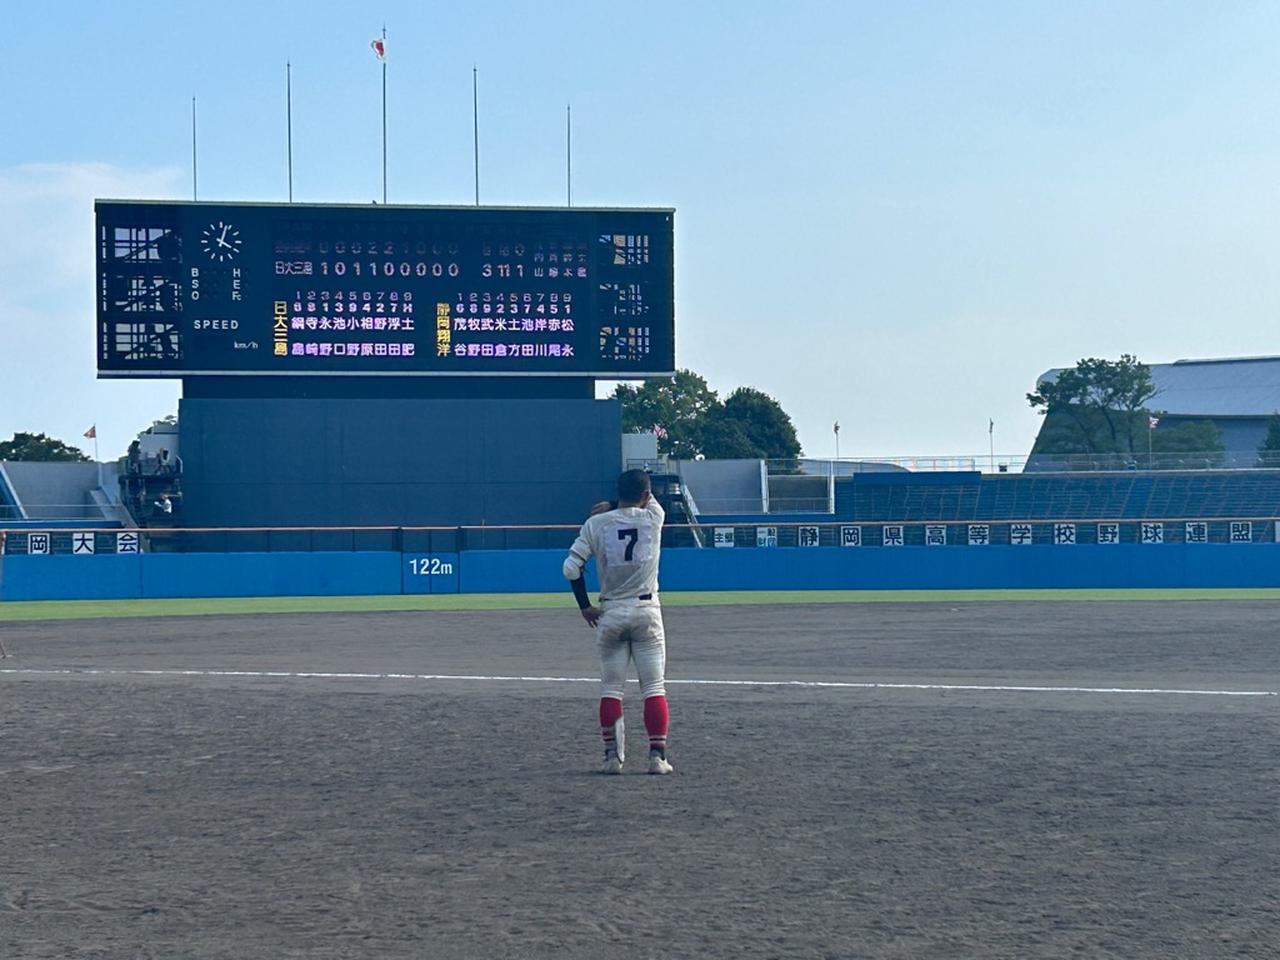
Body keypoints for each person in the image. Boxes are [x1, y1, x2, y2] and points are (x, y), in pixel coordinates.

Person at [562, 469, 673, 775]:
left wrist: (585, 606)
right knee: (653, 687)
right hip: (646, 610)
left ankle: (613, 758)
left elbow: (571, 569)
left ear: (618, 491)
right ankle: (657, 757)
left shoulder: (595, 524)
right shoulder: (654, 518)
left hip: (610, 612)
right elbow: (647, 503)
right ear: (646, 494)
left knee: (611, 689)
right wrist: (615, 503)